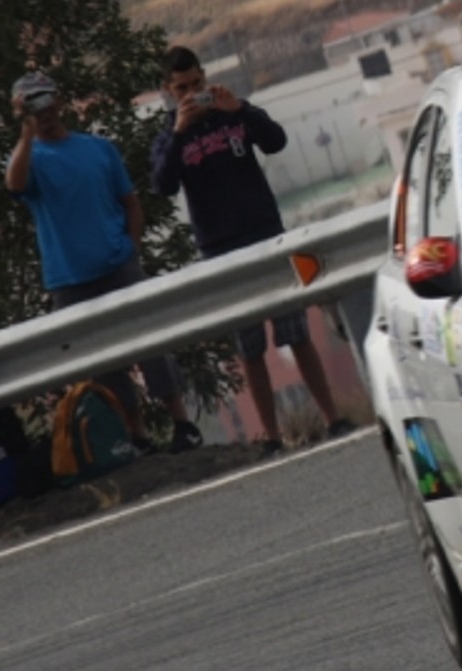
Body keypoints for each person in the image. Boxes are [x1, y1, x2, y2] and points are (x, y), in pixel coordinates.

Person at [149, 46, 351, 455]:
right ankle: (272, 437)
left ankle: (333, 419)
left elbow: (275, 141)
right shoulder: (168, 134)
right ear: (168, 91)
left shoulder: (233, 111)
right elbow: (162, 185)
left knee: (297, 332)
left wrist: (240, 109)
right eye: (182, 89)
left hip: (266, 233)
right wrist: (179, 132)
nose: (193, 94)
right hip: (221, 249)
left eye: (197, 84)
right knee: (250, 346)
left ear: (206, 77)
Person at [4, 71, 202, 453]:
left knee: (151, 343)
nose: (43, 110)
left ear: (59, 100)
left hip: (117, 264)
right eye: (32, 103)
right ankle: (136, 434)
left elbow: (130, 201)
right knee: (103, 363)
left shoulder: (98, 148)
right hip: (69, 279)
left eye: (45, 99)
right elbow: (14, 185)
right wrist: (25, 134)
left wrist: (131, 245)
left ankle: (181, 423)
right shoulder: (31, 158)